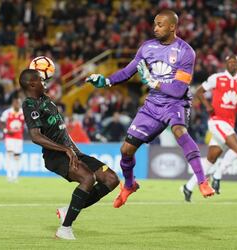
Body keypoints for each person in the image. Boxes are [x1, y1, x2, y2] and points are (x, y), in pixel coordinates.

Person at [86, 9, 215, 208]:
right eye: (154, 24)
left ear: (173, 27)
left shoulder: (186, 51)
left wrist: (154, 83)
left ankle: (202, 181)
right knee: (126, 150)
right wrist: (106, 81)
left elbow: (179, 89)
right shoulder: (147, 48)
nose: (155, 28)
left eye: (160, 25)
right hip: (152, 105)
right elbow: (128, 71)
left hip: (176, 103)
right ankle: (129, 185)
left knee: (179, 130)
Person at [19, 69, 119, 240]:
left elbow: (61, 129)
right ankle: (64, 230)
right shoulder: (29, 104)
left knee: (111, 179)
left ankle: (68, 211)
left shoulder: (47, 100)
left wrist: (73, 150)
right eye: (39, 79)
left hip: (72, 151)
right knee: (88, 179)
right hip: (55, 156)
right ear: (32, 84)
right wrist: (65, 149)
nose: (44, 82)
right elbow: (35, 136)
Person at [182, 55, 237, 201]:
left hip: (229, 123)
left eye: (235, 62)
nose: (232, 64)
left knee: (211, 159)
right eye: (230, 62)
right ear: (225, 64)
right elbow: (199, 92)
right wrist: (208, 106)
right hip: (217, 121)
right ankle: (217, 176)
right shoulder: (217, 78)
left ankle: (188, 187)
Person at [0, 96, 25, 182]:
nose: (17, 104)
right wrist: (6, 130)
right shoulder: (7, 112)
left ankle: (15, 176)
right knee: (9, 155)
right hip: (9, 137)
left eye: (18, 103)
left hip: (19, 138)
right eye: (16, 103)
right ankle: (9, 175)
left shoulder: (23, 113)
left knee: (17, 156)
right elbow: (1, 122)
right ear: (13, 103)